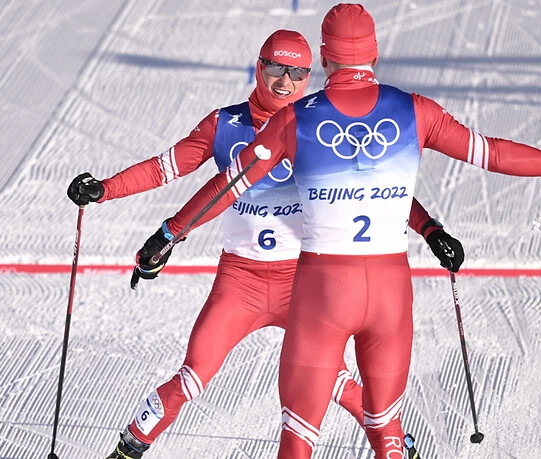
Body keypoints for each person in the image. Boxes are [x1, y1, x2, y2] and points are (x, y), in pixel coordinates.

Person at [133, 4, 541, 457]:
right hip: (389, 293)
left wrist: (169, 233)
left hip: (324, 292)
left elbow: (227, 187)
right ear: (375, 53)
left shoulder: (294, 120)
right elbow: (492, 153)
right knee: (384, 426)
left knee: (299, 436)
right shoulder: (416, 110)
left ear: (322, 59)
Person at [66, 29, 463, 459]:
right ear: (259, 67)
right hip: (241, 281)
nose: (285, 82)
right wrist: (104, 190)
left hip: (305, 285)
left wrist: (430, 229)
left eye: (297, 73)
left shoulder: (315, 124)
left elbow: (379, 189)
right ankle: (129, 447)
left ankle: (395, 443)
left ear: (310, 77)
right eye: (276, 68)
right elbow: (166, 168)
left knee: (334, 381)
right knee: (194, 372)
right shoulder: (225, 124)